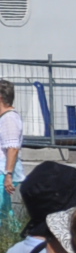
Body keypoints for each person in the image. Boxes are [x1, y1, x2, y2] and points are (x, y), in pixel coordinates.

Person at [0, 81, 19, 222]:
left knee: (3, 212)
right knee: (5, 212)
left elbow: (12, 147)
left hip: (2, 172)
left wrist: (8, 175)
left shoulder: (9, 119)